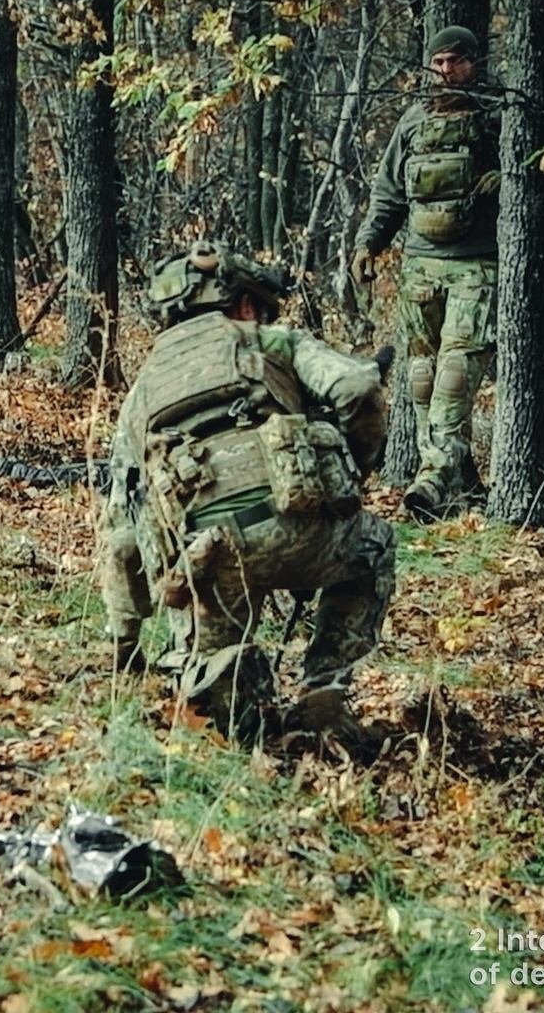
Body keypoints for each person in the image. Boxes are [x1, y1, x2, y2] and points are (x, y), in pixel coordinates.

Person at [99, 243, 395, 742]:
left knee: (214, 694)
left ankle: (224, 681)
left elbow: (121, 533)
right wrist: (355, 471)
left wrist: (124, 649)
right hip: (301, 525)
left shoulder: (143, 390)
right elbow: (358, 389)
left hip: (203, 563)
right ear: (241, 304)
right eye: (258, 305)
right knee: (373, 547)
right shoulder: (270, 340)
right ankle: (323, 688)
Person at [351, 24, 501, 520]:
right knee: (420, 375)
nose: (445, 71)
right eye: (438, 63)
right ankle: (454, 481)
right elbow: (389, 192)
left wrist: (506, 179)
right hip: (419, 264)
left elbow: (540, 171)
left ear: (474, 62)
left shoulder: (498, 114)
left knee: (456, 373)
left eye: (455, 61)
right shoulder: (413, 121)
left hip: (475, 263)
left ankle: (433, 478)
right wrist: (368, 242)